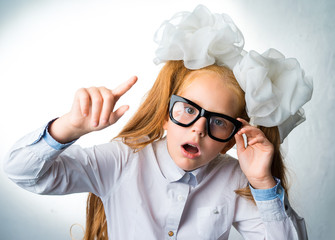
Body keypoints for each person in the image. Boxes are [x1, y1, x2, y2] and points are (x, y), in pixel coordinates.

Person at [4, 5, 312, 240]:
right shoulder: (122, 159)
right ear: (165, 115)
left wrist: (263, 184)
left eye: (218, 122)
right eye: (188, 110)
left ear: (232, 136)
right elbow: (22, 172)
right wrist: (69, 128)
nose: (199, 128)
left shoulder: (235, 179)